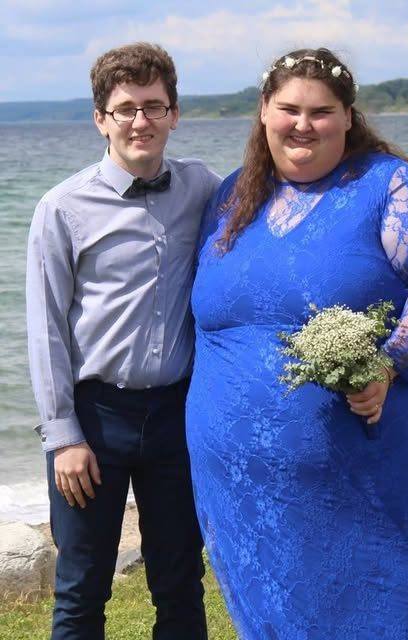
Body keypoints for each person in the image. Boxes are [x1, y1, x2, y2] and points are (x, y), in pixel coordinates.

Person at [186, 48, 408, 639]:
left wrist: (389, 362)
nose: (303, 124)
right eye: (288, 109)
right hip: (245, 492)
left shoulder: (388, 187)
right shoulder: (234, 195)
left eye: (321, 111)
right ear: (263, 111)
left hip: (363, 489)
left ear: (348, 116)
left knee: (396, 611)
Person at [26, 42, 220, 640]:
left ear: (174, 114)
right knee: (81, 590)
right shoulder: (61, 208)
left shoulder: (203, 188)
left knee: (181, 583)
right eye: (125, 108)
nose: (141, 121)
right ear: (100, 119)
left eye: (154, 106)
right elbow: (46, 330)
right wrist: (64, 437)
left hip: (176, 418)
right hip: (94, 421)